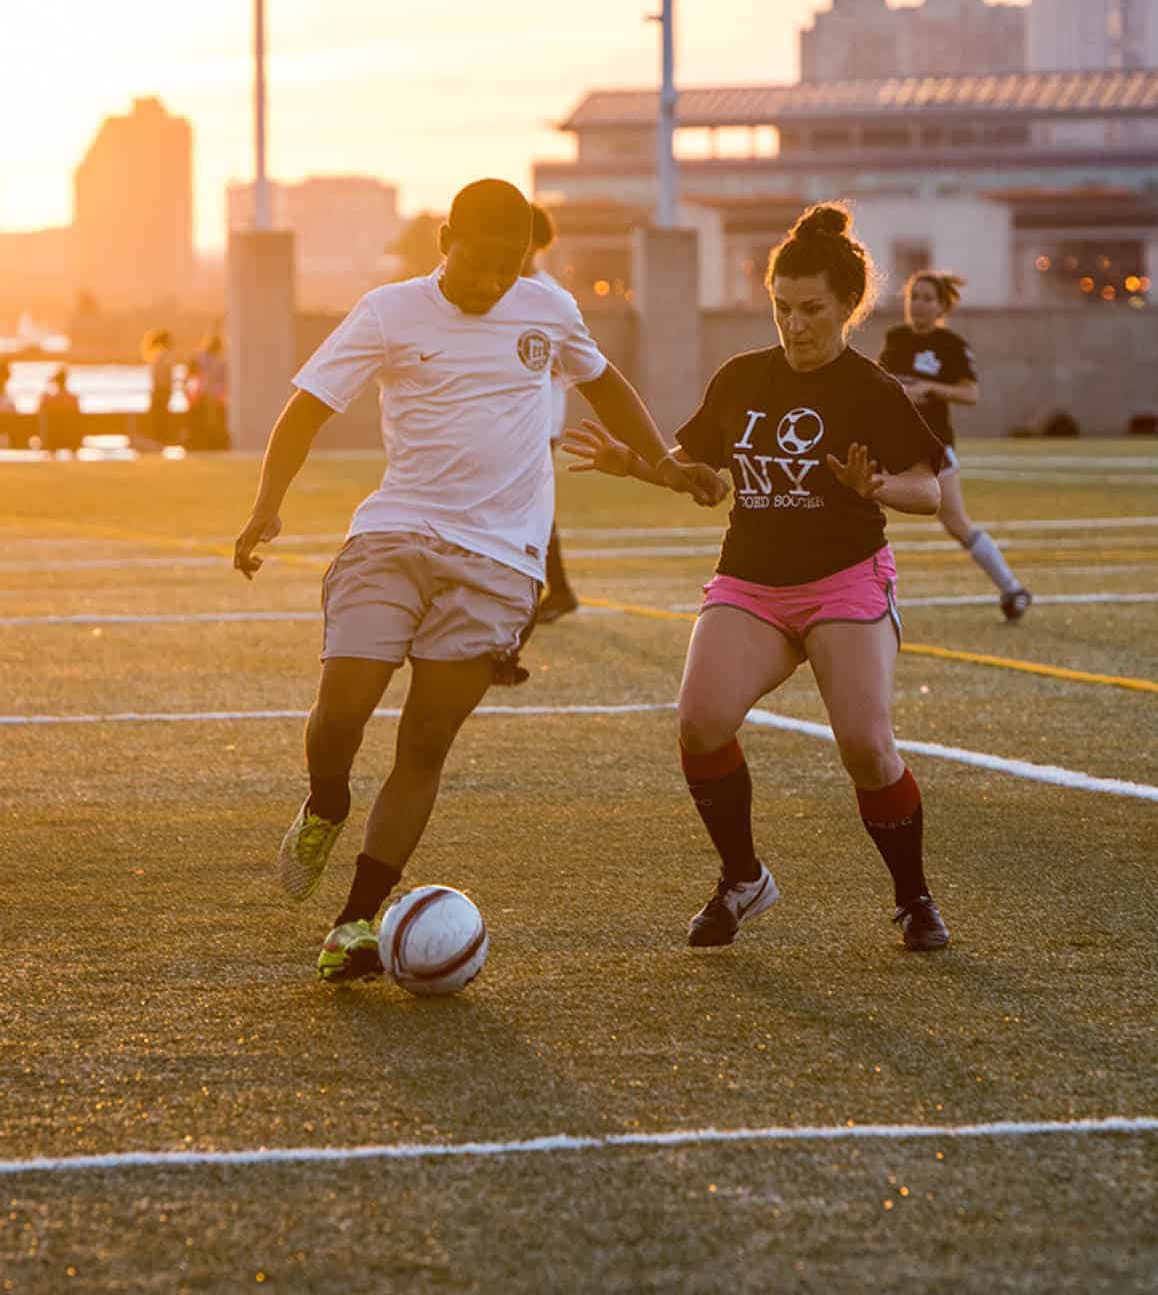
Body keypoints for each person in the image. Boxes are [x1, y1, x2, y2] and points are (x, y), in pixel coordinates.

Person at [232, 178, 725, 984]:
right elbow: (307, 406)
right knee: (340, 714)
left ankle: (355, 919)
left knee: (423, 743)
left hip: (501, 562)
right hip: (393, 535)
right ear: (444, 241)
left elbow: (602, 381)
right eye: (481, 264)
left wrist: (668, 462)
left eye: (510, 269)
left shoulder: (548, 307)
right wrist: (266, 505)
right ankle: (326, 801)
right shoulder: (389, 311)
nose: (495, 284)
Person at [563, 202, 952, 953]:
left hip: (844, 581)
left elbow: (928, 490)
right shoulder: (742, 377)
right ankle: (743, 879)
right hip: (752, 583)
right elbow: (702, 480)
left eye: (812, 310)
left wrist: (875, 489)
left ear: (848, 307)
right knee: (699, 723)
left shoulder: (870, 389)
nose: (796, 324)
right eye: (781, 308)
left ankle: (914, 897)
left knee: (866, 749)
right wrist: (639, 464)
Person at [878, 272, 1032, 622]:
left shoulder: (950, 345)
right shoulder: (895, 337)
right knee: (863, 510)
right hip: (890, 444)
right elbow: (879, 380)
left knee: (956, 522)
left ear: (941, 306)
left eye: (927, 298)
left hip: (933, 446)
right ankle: (859, 596)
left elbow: (970, 393)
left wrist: (929, 389)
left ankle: (1012, 588)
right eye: (913, 296)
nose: (918, 304)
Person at [523, 203, 577, 623]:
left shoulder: (549, 296)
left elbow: (576, 365)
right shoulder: (503, 291)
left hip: (540, 421)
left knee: (529, 503)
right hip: (514, 422)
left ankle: (551, 590)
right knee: (528, 503)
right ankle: (556, 590)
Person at [140, 328, 175, 447]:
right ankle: (160, 440)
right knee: (160, 416)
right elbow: (163, 375)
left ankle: (160, 439)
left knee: (159, 416)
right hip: (162, 390)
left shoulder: (158, 355)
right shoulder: (163, 355)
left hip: (160, 390)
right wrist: (166, 389)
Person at [37, 366, 84, 453]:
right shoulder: (73, 399)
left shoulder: (49, 400)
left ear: (56, 381)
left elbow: (39, 408)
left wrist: (47, 385)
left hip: (53, 441)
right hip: (72, 440)